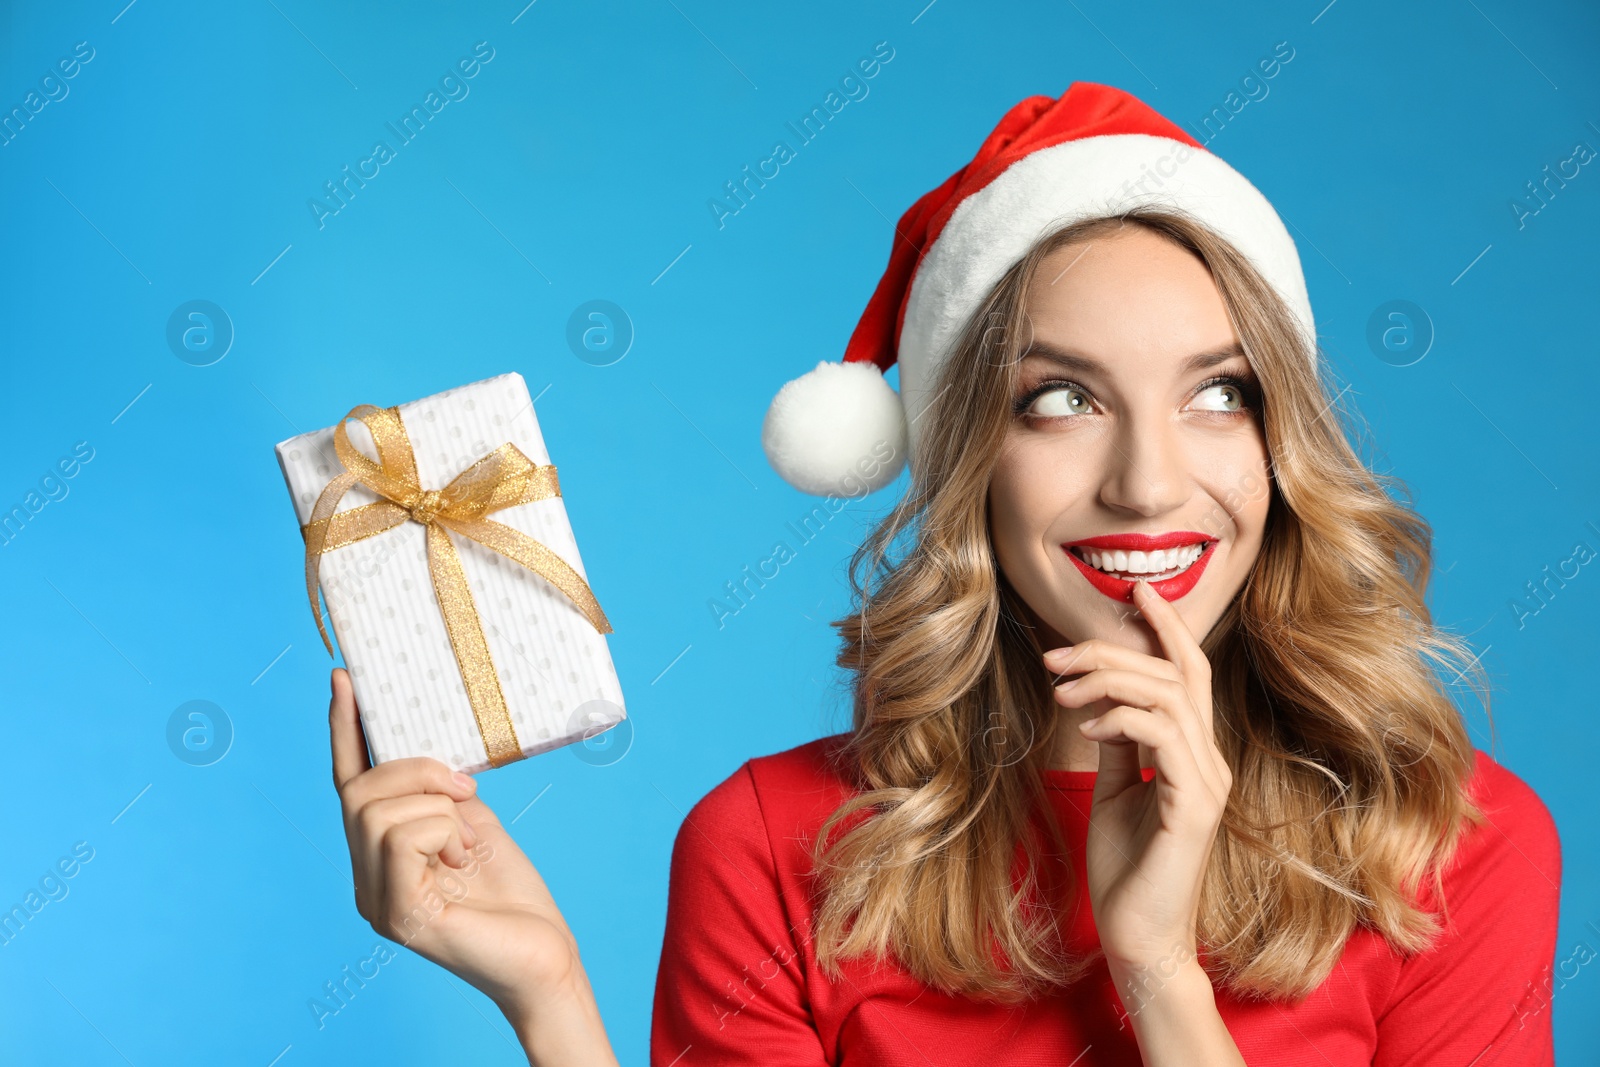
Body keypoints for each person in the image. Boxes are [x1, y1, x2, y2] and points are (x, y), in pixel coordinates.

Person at [325, 83, 1562, 1066]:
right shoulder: (768, 849)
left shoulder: (1456, 847)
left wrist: (1156, 973)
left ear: (1279, 437)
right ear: (967, 451)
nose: (1146, 482)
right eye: (1061, 399)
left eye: (1218, 394)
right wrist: (550, 999)